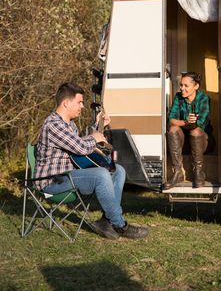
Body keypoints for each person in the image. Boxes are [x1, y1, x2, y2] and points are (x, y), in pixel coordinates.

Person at [34, 82, 148, 240]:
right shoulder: (53, 125)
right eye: (79, 102)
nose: (82, 106)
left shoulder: (69, 125)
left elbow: (78, 141)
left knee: (118, 170)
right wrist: (94, 139)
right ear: (66, 103)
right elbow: (80, 148)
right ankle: (120, 225)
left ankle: (106, 221)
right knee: (101, 175)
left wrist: (98, 125)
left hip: (68, 176)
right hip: (51, 182)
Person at [163, 72, 211, 190]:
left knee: (195, 132)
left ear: (196, 86)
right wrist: (186, 122)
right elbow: (171, 120)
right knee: (173, 130)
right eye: (181, 85)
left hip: (202, 142)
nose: (182, 88)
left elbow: (201, 123)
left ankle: (198, 172)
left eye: (186, 86)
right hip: (182, 142)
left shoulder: (204, 98)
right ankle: (178, 173)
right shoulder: (178, 97)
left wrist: (194, 122)